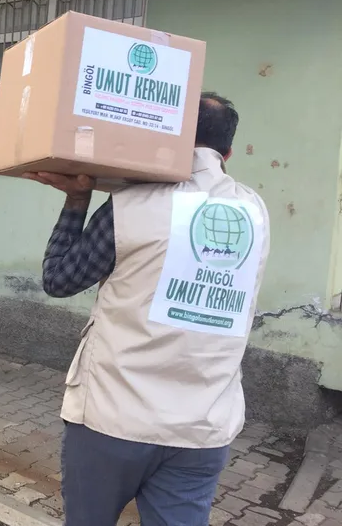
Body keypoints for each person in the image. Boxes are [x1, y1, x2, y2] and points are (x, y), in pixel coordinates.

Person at [26, 92, 270, 526]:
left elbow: (59, 279)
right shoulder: (254, 212)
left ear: (165, 135)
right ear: (228, 153)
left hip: (113, 420)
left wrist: (77, 200)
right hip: (203, 428)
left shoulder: (130, 206)